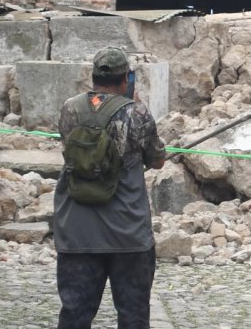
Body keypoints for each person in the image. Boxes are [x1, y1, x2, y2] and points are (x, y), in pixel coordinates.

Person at [54, 47, 166, 329]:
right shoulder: (137, 112)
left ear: (92, 77)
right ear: (125, 79)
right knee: (133, 316)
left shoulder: (69, 108)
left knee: (74, 316)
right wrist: (133, 102)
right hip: (127, 234)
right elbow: (156, 159)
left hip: (76, 232)